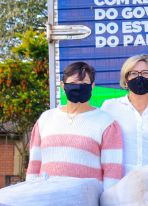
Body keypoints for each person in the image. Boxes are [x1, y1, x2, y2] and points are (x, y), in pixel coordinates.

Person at [27, 61, 124, 190]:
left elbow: (112, 173)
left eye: (84, 84)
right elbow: (34, 166)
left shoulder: (106, 122)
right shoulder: (45, 119)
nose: (78, 87)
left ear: (92, 86)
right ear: (63, 86)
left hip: (86, 204)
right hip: (45, 201)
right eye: (72, 83)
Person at [101, 54, 148, 174]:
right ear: (126, 80)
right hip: (120, 184)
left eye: (145, 73)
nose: (139, 77)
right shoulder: (110, 107)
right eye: (133, 73)